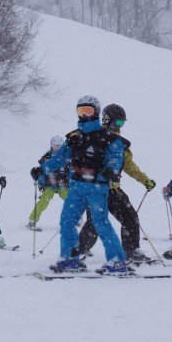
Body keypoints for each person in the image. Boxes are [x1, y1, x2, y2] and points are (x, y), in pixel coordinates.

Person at [32, 96, 132, 275]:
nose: (85, 115)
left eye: (89, 111)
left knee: (101, 223)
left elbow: (117, 155)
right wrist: (42, 169)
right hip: (76, 187)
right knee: (67, 221)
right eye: (81, 111)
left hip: (97, 187)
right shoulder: (74, 138)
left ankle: (117, 261)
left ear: (97, 112)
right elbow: (60, 158)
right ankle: (70, 259)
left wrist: (112, 169)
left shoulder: (107, 138)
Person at [78, 104, 156, 263]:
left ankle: (132, 251)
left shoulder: (121, 143)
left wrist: (144, 180)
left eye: (122, 123)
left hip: (113, 190)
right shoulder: (94, 138)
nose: (119, 127)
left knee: (131, 218)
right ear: (106, 120)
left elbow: (129, 166)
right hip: (95, 189)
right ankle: (77, 251)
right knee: (95, 222)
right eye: (117, 123)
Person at [27, 136, 69, 230]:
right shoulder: (47, 157)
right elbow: (42, 172)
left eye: (59, 146)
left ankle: (78, 220)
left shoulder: (66, 157)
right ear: (52, 146)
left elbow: (71, 171)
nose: (57, 148)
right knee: (43, 202)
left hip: (63, 184)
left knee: (70, 201)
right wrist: (40, 183)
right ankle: (32, 221)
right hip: (50, 184)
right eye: (55, 146)